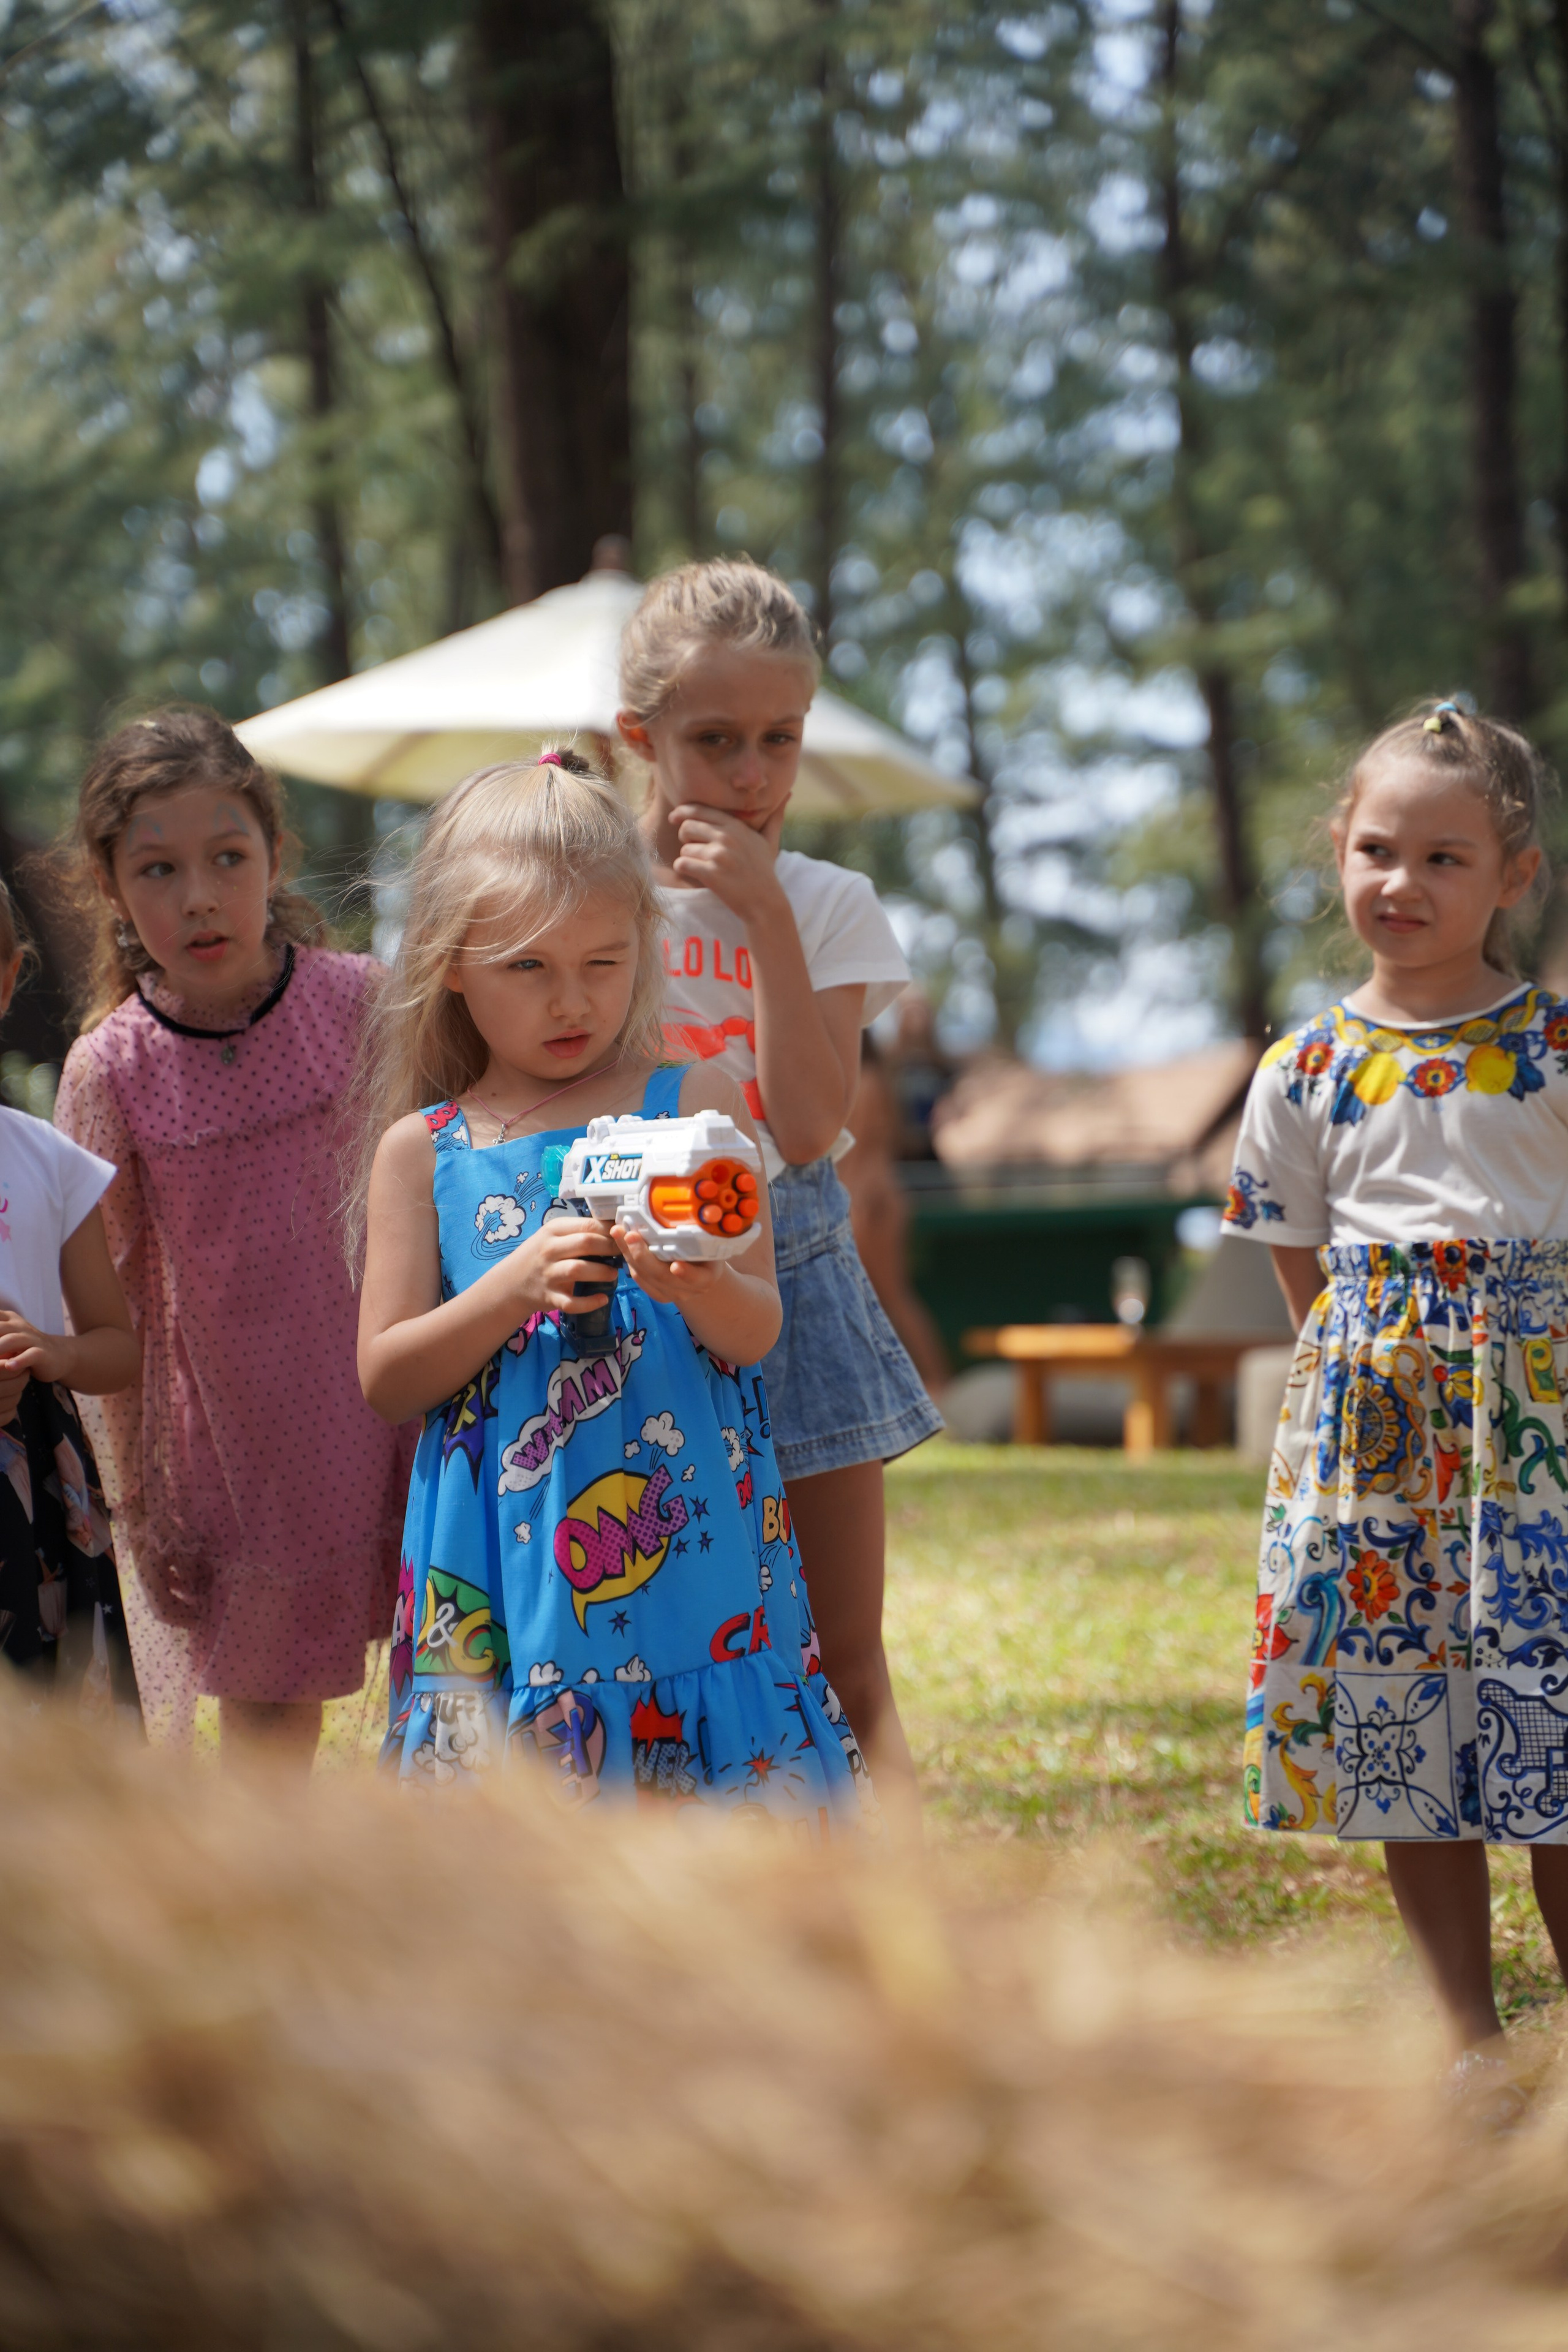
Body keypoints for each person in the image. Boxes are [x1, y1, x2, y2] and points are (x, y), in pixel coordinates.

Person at [353, 748, 871, 1828]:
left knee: (722, 1857)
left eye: (603, 960)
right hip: (505, 1579)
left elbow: (759, 1330)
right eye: (528, 968)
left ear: (648, 941)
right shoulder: (424, 1151)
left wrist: (693, 1286)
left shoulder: (698, 1101)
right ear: (452, 964)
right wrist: (510, 1290)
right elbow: (388, 1378)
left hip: (694, 1568)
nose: (573, 1000)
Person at [1224, 696, 1568, 2090]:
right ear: (1335, 854)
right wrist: (1380, 1377)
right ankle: (1466, 2039)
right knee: (1401, 1733)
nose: (1400, 883)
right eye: (1376, 850)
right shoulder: (1301, 1066)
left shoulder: (1550, 1051)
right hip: (1373, 1451)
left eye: (1442, 859)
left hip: (1537, 1440)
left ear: (1513, 877)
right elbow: (1300, 1267)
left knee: (1547, 1715)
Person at [617, 560, 942, 1826]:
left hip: (792, 1265)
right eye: (713, 741)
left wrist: (762, 920)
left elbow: (807, 1128)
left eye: (778, 738)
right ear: (639, 741)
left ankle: (911, 1938)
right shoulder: (591, 891)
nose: (751, 774)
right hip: (633, 1277)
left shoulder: (825, 901)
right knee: (655, 1642)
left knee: (841, 1649)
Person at [51, 708, 412, 1770]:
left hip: (400, 1410)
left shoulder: (366, 1003)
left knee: (456, 1675)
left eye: (227, 857)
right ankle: (270, 1922)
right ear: (111, 888)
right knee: (265, 1722)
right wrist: (142, 1501)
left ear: (275, 854)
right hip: (243, 1460)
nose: (199, 896)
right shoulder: (110, 1070)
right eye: (157, 869)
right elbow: (108, 1302)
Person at [0, 880, 141, 1720]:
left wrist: (54, 1353)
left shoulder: (48, 1161)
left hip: (38, 1486)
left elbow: (116, 1348)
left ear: (9, 976)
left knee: (50, 1731)